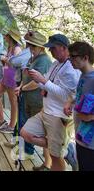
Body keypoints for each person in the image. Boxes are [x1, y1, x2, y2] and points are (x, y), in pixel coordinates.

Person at [21, 34, 80, 171]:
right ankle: (65, 149)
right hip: (46, 111)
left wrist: (44, 81)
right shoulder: (56, 63)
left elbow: (68, 96)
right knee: (26, 133)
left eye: (53, 48)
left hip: (58, 115)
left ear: (64, 48)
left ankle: (62, 150)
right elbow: (46, 83)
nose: (50, 51)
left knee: (55, 156)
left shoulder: (72, 69)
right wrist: (36, 78)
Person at [9, 31, 53, 166]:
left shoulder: (44, 60)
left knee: (39, 129)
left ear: (41, 47)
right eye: (30, 45)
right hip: (27, 98)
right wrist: (21, 86)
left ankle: (46, 160)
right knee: (25, 123)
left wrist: (22, 88)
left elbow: (37, 82)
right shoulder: (32, 58)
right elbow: (26, 74)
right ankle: (27, 150)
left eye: (33, 46)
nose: (31, 48)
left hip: (37, 100)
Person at [64, 41, 94, 171]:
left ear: (85, 57)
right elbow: (82, 95)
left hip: (91, 141)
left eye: (73, 56)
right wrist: (71, 102)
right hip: (80, 134)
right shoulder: (83, 75)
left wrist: (91, 116)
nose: (70, 60)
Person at [0, 28, 22, 134]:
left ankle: (12, 126)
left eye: (7, 36)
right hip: (6, 75)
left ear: (11, 37)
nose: (5, 37)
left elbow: (16, 63)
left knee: (13, 102)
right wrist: (4, 60)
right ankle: (1, 119)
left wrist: (5, 59)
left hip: (13, 77)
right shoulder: (10, 47)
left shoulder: (17, 49)